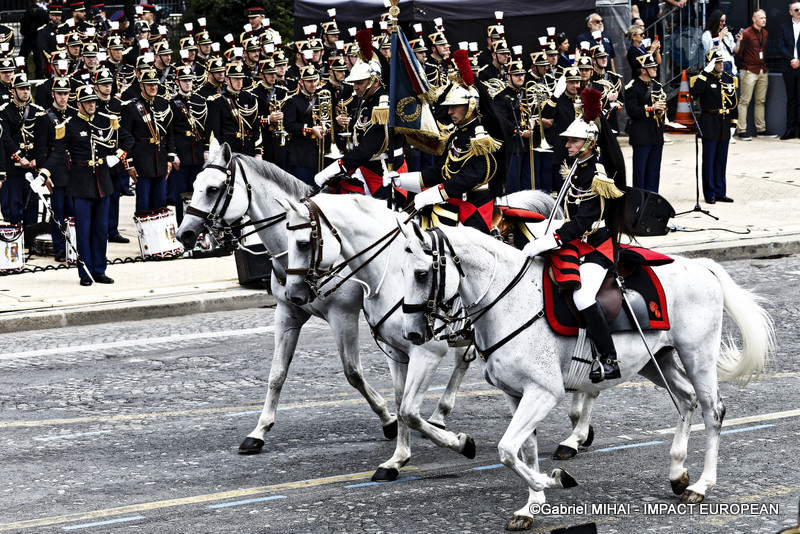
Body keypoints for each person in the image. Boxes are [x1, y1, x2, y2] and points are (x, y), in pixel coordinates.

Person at [522, 88, 627, 383]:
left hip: (595, 247)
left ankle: (608, 358)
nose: (567, 144)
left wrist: (553, 239)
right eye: (567, 139)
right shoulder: (575, 168)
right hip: (574, 243)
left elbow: (586, 218)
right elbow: (568, 212)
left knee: (582, 296)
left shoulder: (597, 173)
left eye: (573, 140)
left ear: (589, 143)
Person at [389, 52, 501, 234]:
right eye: (449, 107)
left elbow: (469, 176)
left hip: (473, 206)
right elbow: (442, 171)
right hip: (455, 199)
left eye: (454, 106)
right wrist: (402, 180)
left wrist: (432, 194)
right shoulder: (457, 134)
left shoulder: (480, 137)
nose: (449, 112)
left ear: (470, 106)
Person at [36, 85, 134, 285]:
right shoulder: (69, 125)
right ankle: (85, 273)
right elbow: (57, 152)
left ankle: (100, 270)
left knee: (100, 230)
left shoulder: (107, 120)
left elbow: (128, 139)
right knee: (84, 231)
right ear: (78, 104)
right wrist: (43, 173)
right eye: (87, 102)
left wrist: (118, 156)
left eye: (94, 101)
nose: (92, 105)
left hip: (103, 183)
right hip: (80, 185)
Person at [121, 68, 175, 213]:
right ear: (141, 86)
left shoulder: (163, 104)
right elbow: (126, 138)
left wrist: (170, 157)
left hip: (161, 160)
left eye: (155, 84)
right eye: (149, 84)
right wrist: (129, 164)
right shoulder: (131, 107)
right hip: (142, 162)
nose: (153, 87)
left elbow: (169, 133)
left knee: (161, 204)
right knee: (143, 205)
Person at [33, 77, 73, 262]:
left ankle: (74, 245)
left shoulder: (74, 114)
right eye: (60, 94)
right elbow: (40, 149)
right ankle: (59, 248)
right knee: (58, 213)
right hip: (55, 170)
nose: (63, 97)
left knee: (75, 211)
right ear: (53, 95)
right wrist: (44, 173)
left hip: (75, 170)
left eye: (66, 94)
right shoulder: (45, 118)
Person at [691, 50, 738, 204]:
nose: (720, 65)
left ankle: (720, 191)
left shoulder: (728, 78)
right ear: (710, 63)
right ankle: (710, 192)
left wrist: (733, 124)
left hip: (724, 122)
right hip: (709, 122)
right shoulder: (704, 79)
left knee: (721, 160)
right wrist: (705, 72)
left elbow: (733, 103)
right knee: (709, 159)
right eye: (717, 62)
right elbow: (695, 93)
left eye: (721, 62)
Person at [0, 73, 44, 228]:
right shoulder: (4, 111)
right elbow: (5, 138)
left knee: (32, 205)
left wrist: (38, 159)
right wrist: (20, 158)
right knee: (15, 206)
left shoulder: (37, 111)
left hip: (33, 165)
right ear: (13, 91)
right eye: (21, 89)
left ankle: (31, 239)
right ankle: (16, 240)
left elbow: (42, 138)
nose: (25, 92)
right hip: (14, 167)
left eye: (27, 88)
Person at [168, 65, 207, 225]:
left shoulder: (199, 101)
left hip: (197, 152)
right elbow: (169, 132)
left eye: (190, 80)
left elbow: (206, 127)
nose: (187, 83)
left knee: (198, 193)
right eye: (184, 81)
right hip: (181, 155)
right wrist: (173, 153)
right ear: (177, 82)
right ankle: (181, 224)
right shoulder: (172, 103)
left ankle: (198, 226)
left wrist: (206, 148)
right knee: (181, 194)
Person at [624, 53, 666, 192]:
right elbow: (632, 111)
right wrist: (651, 108)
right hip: (641, 134)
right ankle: (640, 202)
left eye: (655, 67)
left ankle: (653, 201)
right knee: (640, 173)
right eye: (651, 67)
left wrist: (660, 110)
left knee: (654, 171)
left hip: (656, 133)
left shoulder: (657, 85)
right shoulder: (632, 87)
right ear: (643, 70)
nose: (655, 69)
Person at [736, 9, 777, 140]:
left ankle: (761, 129)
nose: (764, 20)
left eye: (765, 18)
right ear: (754, 19)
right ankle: (742, 130)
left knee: (761, 101)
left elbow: (763, 50)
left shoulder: (765, 33)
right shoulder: (746, 33)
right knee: (745, 101)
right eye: (761, 18)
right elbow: (739, 52)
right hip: (749, 70)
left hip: (762, 69)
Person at [778, 1, 800, 140]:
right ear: (790, 12)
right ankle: (790, 130)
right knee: (791, 99)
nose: (799, 12)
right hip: (789, 67)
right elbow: (781, 46)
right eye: (796, 9)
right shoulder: (783, 26)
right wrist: (792, 59)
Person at [701, 10, 741, 77]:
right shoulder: (707, 34)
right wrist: (720, 37)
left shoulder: (727, 34)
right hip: (717, 67)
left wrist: (739, 41)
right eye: (721, 21)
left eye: (725, 21)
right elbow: (711, 51)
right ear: (715, 21)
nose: (723, 23)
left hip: (730, 66)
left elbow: (735, 50)